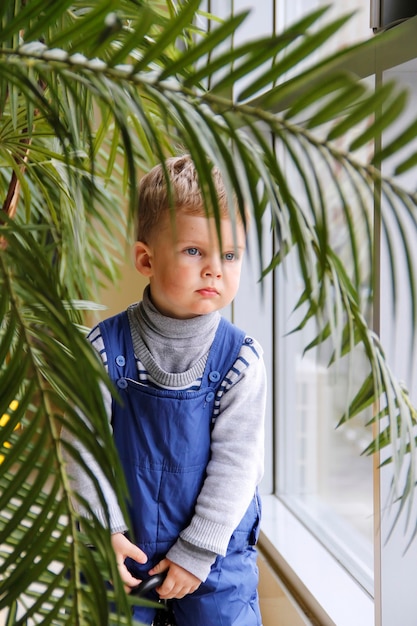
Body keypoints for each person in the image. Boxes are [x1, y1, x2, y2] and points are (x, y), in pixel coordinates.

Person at [64, 155, 266, 625]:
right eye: (195, 251)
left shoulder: (241, 361)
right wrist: (105, 530)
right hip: (124, 548)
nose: (216, 270)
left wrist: (197, 551)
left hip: (213, 554)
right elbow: (81, 449)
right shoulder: (102, 349)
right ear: (146, 259)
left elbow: (238, 465)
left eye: (230, 255)